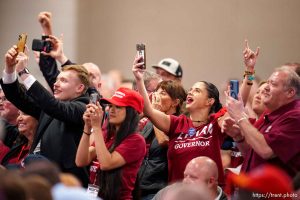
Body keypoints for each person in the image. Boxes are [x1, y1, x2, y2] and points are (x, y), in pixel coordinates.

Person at [1, 46, 90, 186]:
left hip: (65, 182)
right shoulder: (51, 106)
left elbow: (55, 107)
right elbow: (17, 97)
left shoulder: (84, 107)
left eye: (64, 81)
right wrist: (10, 69)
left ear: (79, 88)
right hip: (36, 177)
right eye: (57, 80)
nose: (55, 84)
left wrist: (23, 72)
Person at [133, 54, 227, 186]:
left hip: (207, 193)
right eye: (191, 90)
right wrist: (139, 79)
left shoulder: (214, 123)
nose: (190, 92)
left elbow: (237, 108)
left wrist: (249, 72)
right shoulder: (178, 123)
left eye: (197, 91)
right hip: (178, 193)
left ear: (210, 101)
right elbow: (149, 110)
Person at [225, 66, 300, 178]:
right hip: (250, 190)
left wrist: (239, 115)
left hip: (273, 193)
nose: (265, 88)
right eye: (267, 82)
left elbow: (266, 151)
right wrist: (238, 138)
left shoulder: (295, 116)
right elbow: (252, 153)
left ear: (290, 92)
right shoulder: (271, 115)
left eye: (273, 84)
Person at [76, 87, 146, 200]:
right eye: (110, 106)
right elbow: (81, 160)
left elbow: (106, 164)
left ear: (131, 112)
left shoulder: (136, 140)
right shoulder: (107, 135)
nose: (111, 110)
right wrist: (87, 127)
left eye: (118, 107)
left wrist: (97, 127)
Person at [138, 80, 187, 200]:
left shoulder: (180, 122)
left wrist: (155, 113)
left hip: (159, 190)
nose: (156, 96)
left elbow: (164, 141)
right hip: (139, 187)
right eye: (156, 92)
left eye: (163, 93)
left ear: (175, 102)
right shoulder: (149, 122)